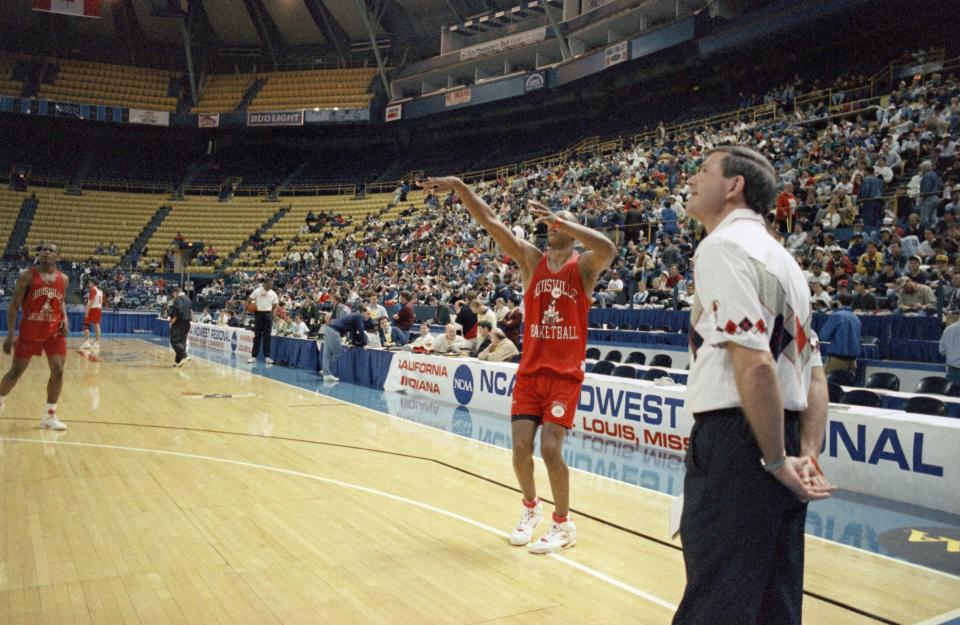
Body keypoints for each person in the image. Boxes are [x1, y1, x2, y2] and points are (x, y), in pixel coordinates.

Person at [675, 146, 835, 625]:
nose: (692, 179)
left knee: (716, 602)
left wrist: (772, 459)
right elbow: (815, 374)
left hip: (740, 440)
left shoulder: (723, 248)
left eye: (703, 170)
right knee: (774, 605)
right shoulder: (787, 264)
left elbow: (757, 364)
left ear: (734, 186)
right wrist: (805, 454)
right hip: (781, 436)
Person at [420, 176, 616, 554]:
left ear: (572, 232)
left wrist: (565, 222)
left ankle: (564, 523)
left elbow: (608, 247)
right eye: (551, 220)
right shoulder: (532, 261)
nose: (551, 224)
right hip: (530, 373)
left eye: (561, 221)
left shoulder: (585, 268)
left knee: (551, 448)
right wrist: (461, 186)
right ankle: (531, 509)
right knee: (520, 449)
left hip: (564, 376)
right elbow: (491, 221)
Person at [0, 243, 70, 430]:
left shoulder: (63, 279)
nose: (46, 252)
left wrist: (66, 318)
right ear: (39, 254)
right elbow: (14, 306)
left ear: (58, 256)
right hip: (30, 331)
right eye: (44, 249)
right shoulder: (28, 277)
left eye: (51, 250)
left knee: (58, 371)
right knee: (15, 373)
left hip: (54, 332)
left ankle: (49, 415)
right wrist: (10, 335)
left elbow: (61, 300)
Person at [320, 305, 371, 382]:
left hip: (328, 328)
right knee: (338, 352)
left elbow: (353, 331)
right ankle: (326, 371)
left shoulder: (354, 316)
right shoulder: (359, 316)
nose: (369, 316)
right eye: (368, 313)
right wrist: (365, 344)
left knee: (327, 353)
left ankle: (325, 372)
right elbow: (361, 330)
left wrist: (354, 343)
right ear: (363, 312)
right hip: (333, 330)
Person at [818, 292, 862, 374]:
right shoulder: (856, 318)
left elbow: (823, 336)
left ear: (838, 302)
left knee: (827, 384)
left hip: (838, 359)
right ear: (851, 303)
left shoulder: (836, 315)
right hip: (853, 361)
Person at [247, 279, 278, 364]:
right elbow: (249, 300)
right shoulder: (257, 291)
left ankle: (267, 357)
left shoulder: (273, 293)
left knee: (267, 336)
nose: (271, 286)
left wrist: (274, 314)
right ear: (265, 284)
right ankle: (253, 357)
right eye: (270, 284)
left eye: (272, 285)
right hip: (259, 314)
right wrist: (245, 311)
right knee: (257, 336)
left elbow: (275, 305)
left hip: (268, 314)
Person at [169, 286, 192, 368]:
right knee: (182, 341)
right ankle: (178, 361)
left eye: (173, 294)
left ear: (176, 293)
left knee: (174, 340)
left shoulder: (178, 299)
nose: (173, 296)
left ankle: (185, 355)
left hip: (179, 323)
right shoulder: (188, 299)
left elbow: (178, 310)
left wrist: (174, 319)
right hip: (187, 323)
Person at [80, 277, 103, 352]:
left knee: (86, 324)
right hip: (98, 309)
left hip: (92, 309)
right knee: (97, 325)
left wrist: (87, 311)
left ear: (93, 283)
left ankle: (86, 342)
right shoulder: (100, 291)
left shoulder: (93, 289)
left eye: (89, 282)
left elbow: (91, 301)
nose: (88, 284)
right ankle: (97, 342)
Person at [939, 317, 960, 387]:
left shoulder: (948, 329)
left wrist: (953, 355)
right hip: (952, 372)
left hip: (951, 373)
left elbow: (942, 350)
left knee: (951, 396)